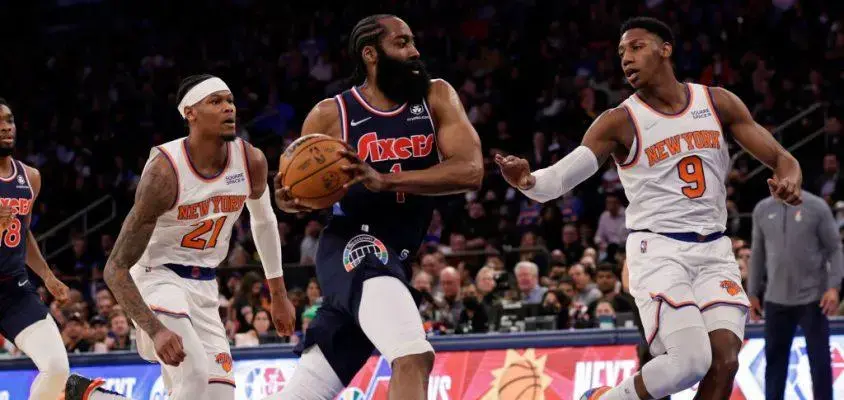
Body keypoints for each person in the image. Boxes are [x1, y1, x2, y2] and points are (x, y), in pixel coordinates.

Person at [497, 17, 802, 400]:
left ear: (666, 49)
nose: (626, 57)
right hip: (659, 251)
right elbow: (558, 181)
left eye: (637, 47)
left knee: (725, 361)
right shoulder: (619, 121)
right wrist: (527, 181)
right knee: (690, 362)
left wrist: (790, 180)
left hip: (715, 251)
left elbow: (781, 158)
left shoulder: (717, 102)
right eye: (622, 52)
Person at [272, 14, 482, 400]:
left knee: (307, 390)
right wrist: (289, 200)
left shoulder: (436, 96)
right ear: (371, 54)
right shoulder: (330, 114)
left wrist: (387, 180)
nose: (415, 51)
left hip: (398, 255)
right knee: (413, 356)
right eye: (401, 44)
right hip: (355, 247)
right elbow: (303, 192)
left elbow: (470, 170)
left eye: (413, 41)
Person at [102, 75, 296, 400]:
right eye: (216, 101)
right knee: (193, 375)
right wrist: (154, 328)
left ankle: (95, 396)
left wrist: (278, 293)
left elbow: (264, 220)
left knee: (219, 396)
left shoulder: (251, 161)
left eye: (230, 101)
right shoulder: (164, 173)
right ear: (190, 112)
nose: (228, 108)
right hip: (157, 276)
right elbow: (115, 267)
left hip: (205, 285)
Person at [0, 97, 126, 400]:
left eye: (10, 120)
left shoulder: (29, 177)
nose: (6, 127)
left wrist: (46, 275)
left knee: (57, 368)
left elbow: (24, 233)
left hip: (13, 291)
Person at [749, 190, 842, 400]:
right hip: (775, 300)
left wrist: (833, 287)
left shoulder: (817, 206)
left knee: (820, 365)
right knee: (774, 366)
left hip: (813, 298)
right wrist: (752, 293)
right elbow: (757, 253)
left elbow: (835, 248)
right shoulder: (762, 209)